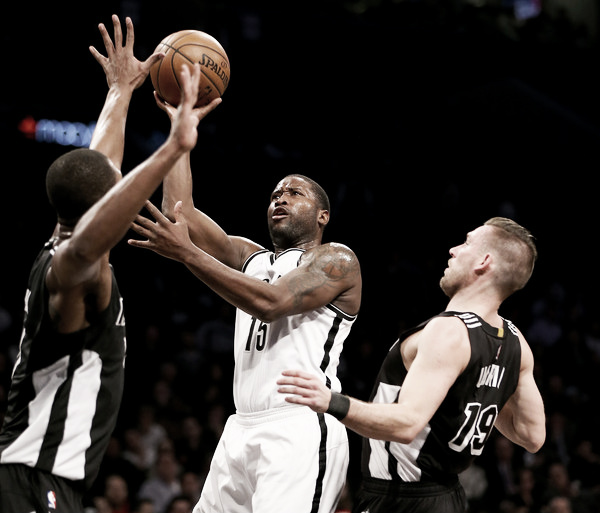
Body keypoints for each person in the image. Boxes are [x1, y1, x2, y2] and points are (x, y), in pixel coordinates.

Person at [0, 14, 220, 513]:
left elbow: (102, 166)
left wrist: (120, 90)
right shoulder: (70, 267)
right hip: (33, 477)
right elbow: (89, 235)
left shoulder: (67, 235)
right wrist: (172, 150)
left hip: (45, 477)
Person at [128, 123, 362, 511]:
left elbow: (270, 303)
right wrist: (180, 133)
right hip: (241, 426)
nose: (280, 198)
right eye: (275, 195)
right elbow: (178, 214)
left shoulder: (337, 259)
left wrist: (187, 254)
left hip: (299, 425)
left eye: (294, 192)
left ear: (323, 215)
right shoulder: (250, 258)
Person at [277, 217, 546, 513]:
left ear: (484, 261)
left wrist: (331, 401)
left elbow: (407, 424)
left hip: (402, 499)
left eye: (466, 242)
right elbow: (532, 436)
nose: (454, 250)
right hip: (449, 498)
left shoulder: (449, 332)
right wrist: (474, 391)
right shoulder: (515, 342)